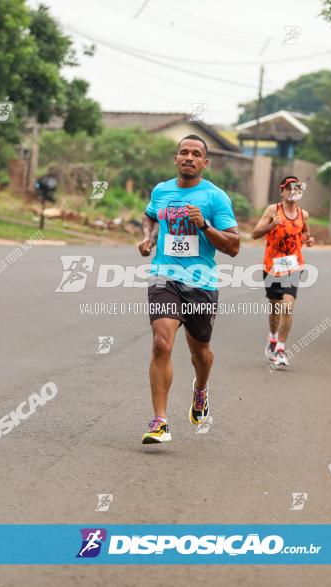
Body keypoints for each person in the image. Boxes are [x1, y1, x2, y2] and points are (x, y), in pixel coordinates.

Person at [137, 135, 240, 444]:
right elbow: (150, 215)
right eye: (184, 152)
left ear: (205, 163)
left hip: (201, 283)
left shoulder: (215, 198)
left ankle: (200, 390)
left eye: (196, 154)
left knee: (201, 355)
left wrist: (205, 225)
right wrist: (149, 237)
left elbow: (234, 246)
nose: (189, 157)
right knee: (161, 343)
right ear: (176, 158)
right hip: (164, 276)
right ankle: (160, 422)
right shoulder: (161, 190)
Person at [250, 176, 315, 368]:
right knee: (275, 308)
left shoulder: (304, 215)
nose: (293, 191)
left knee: (287, 306)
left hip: (294, 265)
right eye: (289, 188)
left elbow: (304, 234)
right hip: (272, 266)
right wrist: (272, 224)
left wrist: (308, 241)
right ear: (282, 191)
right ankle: (272, 337)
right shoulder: (273, 210)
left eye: (296, 188)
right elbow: (254, 234)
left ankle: (280, 348)